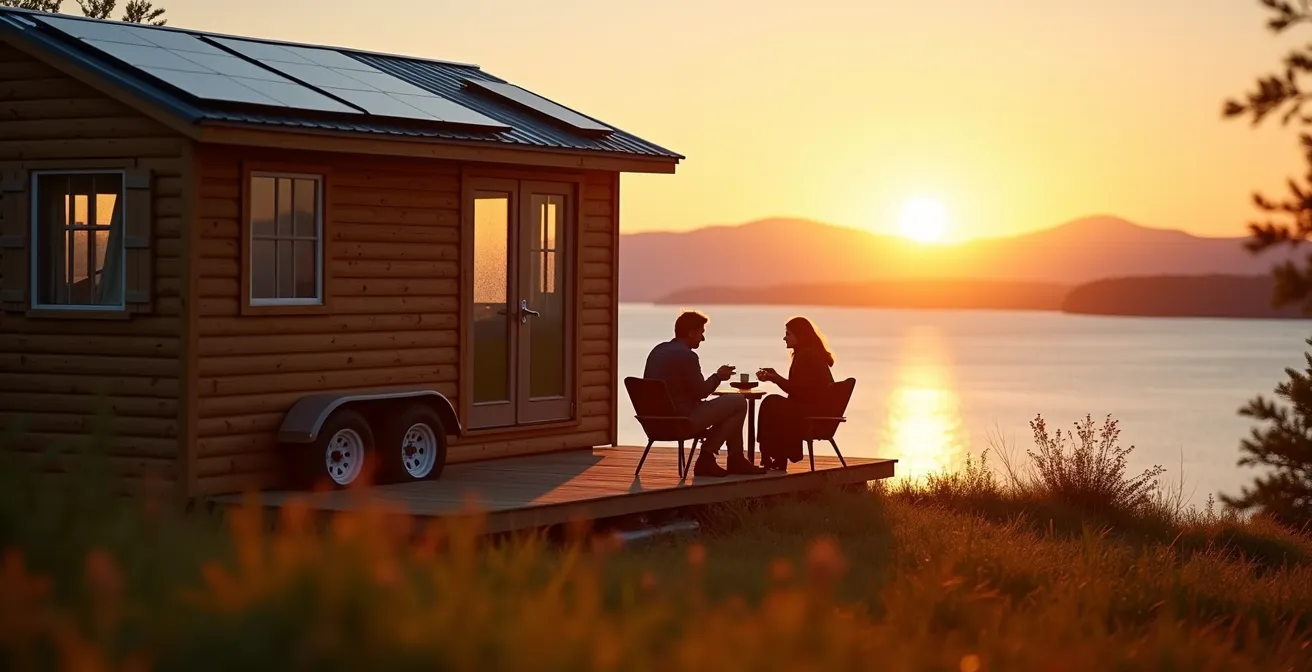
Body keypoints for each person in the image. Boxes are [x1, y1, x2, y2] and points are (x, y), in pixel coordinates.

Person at [643, 310, 768, 477]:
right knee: (738, 402)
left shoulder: (657, 351)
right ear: (691, 332)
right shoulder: (687, 356)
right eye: (701, 332)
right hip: (680, 421)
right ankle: (709, 458)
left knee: (730, 411)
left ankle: (732, 459)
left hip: (654, 423)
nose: (702, 338)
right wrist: (718, 377)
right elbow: (700, 392)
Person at [755, 316, 836, 471]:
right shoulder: (808, 354)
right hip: (814, 409)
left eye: (788, 334)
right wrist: (776, 377)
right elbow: (800, 388)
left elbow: (797, 390)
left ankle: (771, 455)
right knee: (773, 404)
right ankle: (776, 456)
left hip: (812, 414)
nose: (784, 338)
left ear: (800, 336)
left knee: (770, 403)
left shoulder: (807, 356)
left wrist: (776, 379)